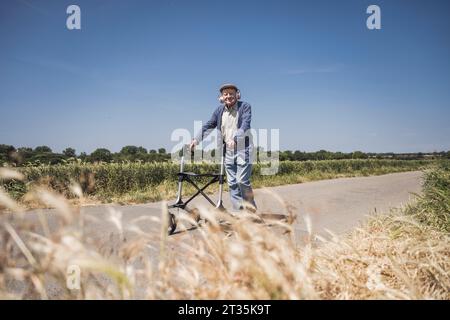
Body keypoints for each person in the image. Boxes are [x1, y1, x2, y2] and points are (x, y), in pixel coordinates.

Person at [190, 83, 257, 212]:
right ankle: (238, 213)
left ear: (237, 95)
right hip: (228, 151)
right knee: (232, 183)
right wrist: (196, 140)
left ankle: (251, 211)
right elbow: (209, 125)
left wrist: (235, 139)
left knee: (242, 180)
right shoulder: (219, 111)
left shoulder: (245, 107)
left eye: (231, 93)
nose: (228, 96)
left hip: (244, 149)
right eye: (225, 94)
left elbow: (245, 124)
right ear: (221, 97)